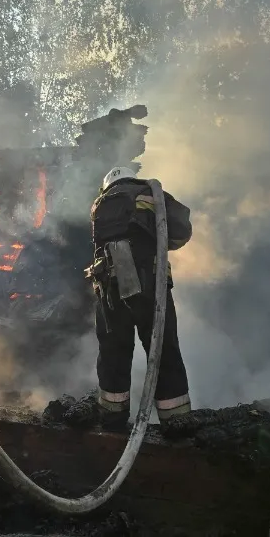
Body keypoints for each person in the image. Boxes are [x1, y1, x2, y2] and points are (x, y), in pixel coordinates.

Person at [86, 167, 193, 430]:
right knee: (162, 350)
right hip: (150, 287)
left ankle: (112, 418)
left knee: (113, 351)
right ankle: (175, 421)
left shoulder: (99, 205)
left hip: (109, 289)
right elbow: (181, 231)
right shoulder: (151, 192)